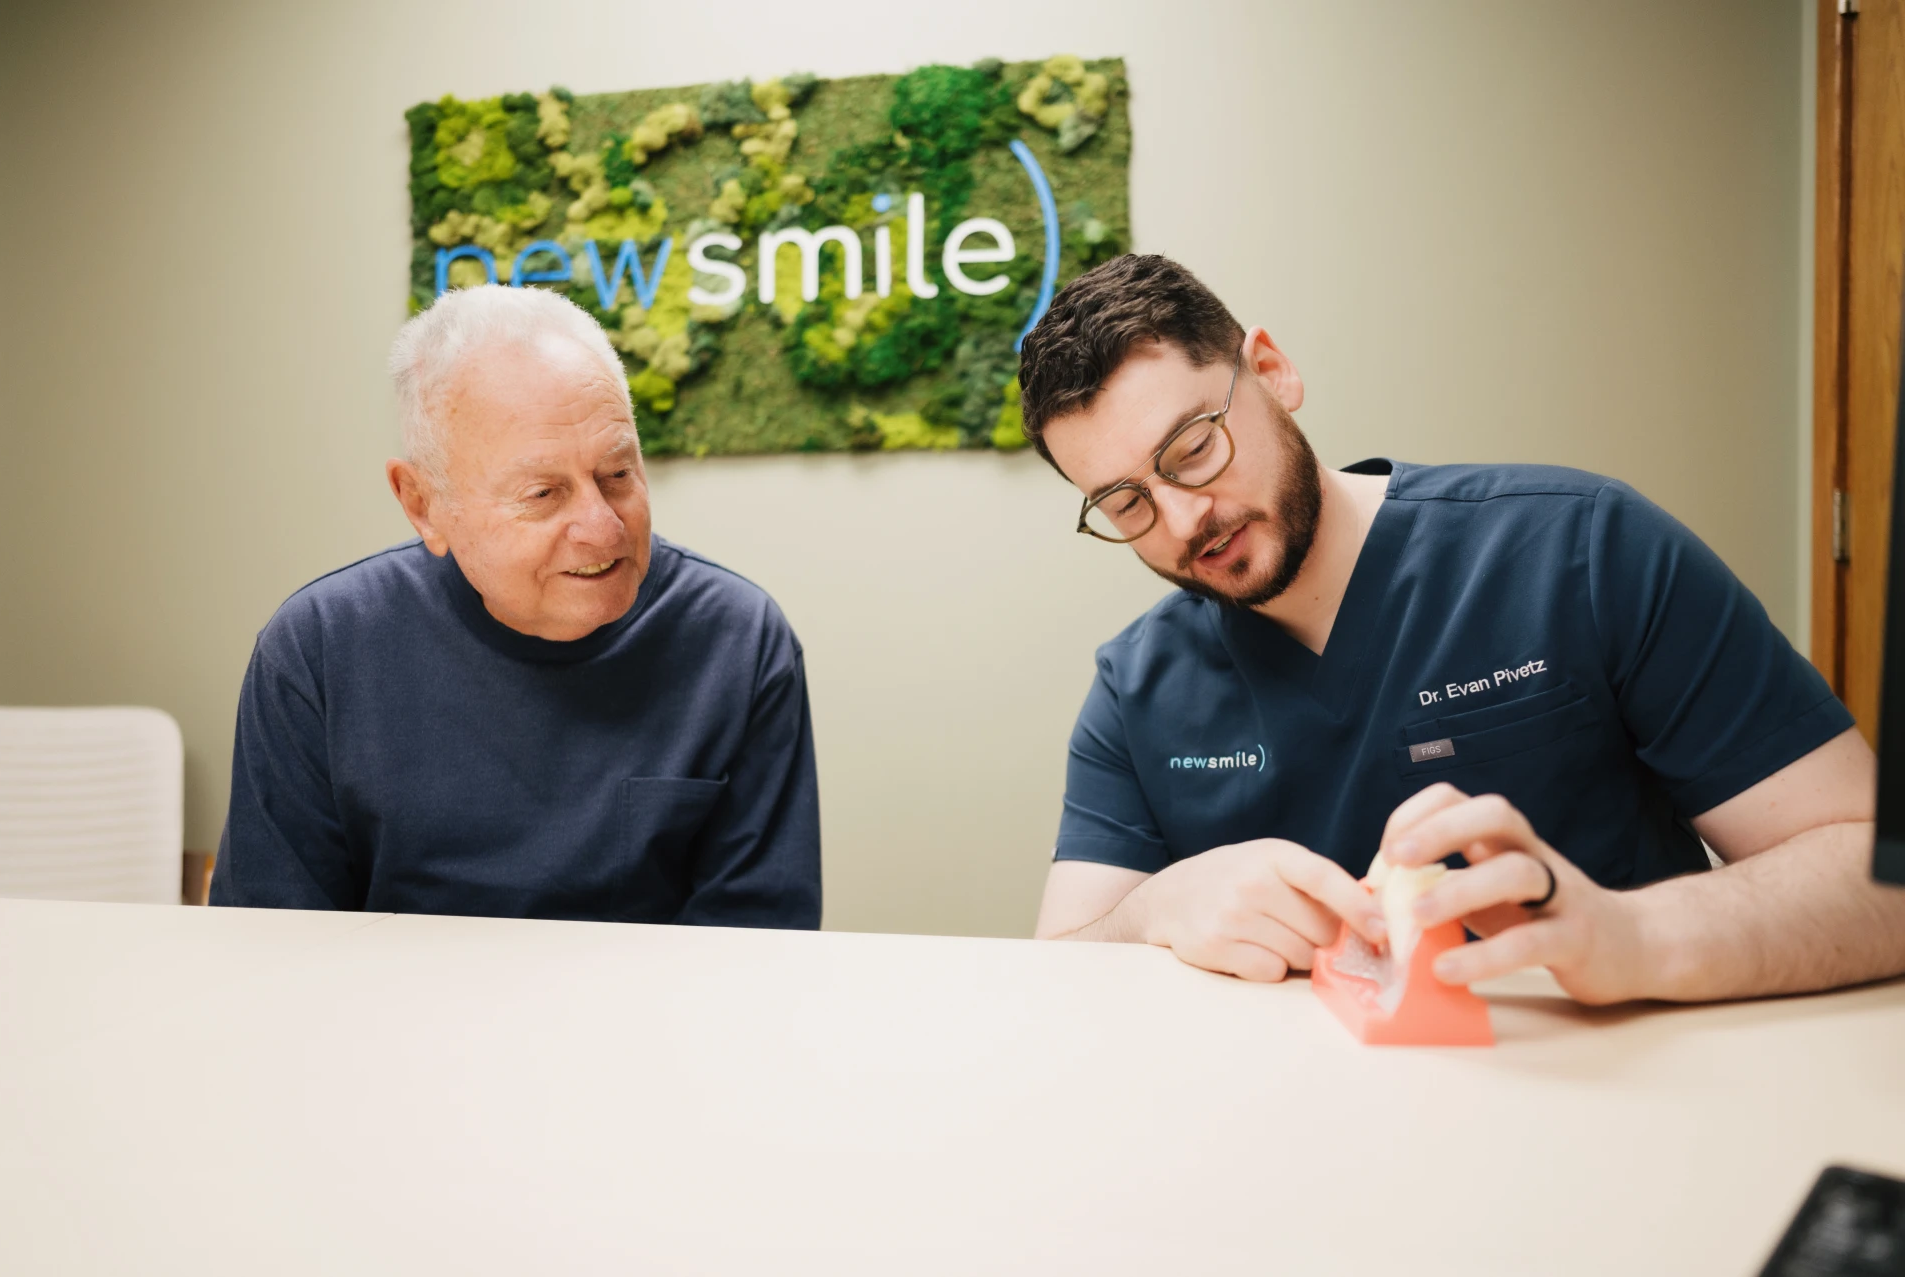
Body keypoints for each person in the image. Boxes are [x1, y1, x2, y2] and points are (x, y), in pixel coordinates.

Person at [1018, 253, 1905, 1004]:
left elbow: (1881, 882)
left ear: (1273, 370)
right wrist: (1156, 909)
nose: (1182, 520)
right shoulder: (1136, 689)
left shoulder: (1581, 549)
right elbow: (1058, 981)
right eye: (1126, 502)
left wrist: (1627, 933)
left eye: (1194, 449)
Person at [210, 285, 819, 926]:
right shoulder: (319, 650)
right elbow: (268, 944)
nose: (604, 529)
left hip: (652, 1023)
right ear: (422, 504)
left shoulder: (739, 639)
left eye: (618, 475)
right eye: (543, 493)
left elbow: (758, 953)